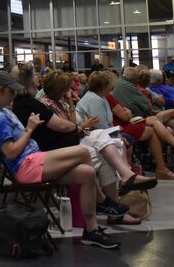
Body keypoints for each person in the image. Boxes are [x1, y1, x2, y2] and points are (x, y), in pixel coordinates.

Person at [0, 70, 120, 249]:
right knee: (83, 152)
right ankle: (103, 202)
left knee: (87, 173)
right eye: (11, 91)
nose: (14, 95)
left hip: (33, 160)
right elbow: (11, 152)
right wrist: (29, 129)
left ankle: (92, 230)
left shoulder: (4, 112)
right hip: (25, 166)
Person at [39, 71, 157, 223]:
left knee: (108, 150)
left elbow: (72, 125)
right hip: (63, 149)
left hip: (73, 140)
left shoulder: (60, 102)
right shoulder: (46, 105)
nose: (71, 90)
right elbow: (68, 129)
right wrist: (82, 127)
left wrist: (70, 104)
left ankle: (118, 200)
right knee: (105, 138)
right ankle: (124, 181)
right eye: (67, 88)